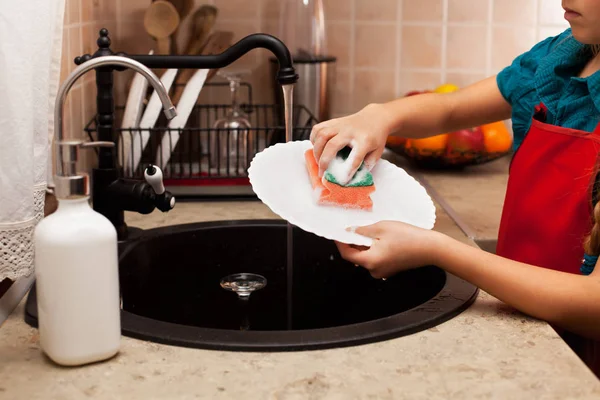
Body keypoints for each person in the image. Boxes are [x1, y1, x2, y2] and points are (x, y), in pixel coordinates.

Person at [310, 2, 600, 374]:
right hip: (521, 325)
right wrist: (380, 115)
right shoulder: (560, 57)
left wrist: (437, 249)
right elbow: (450, 110)